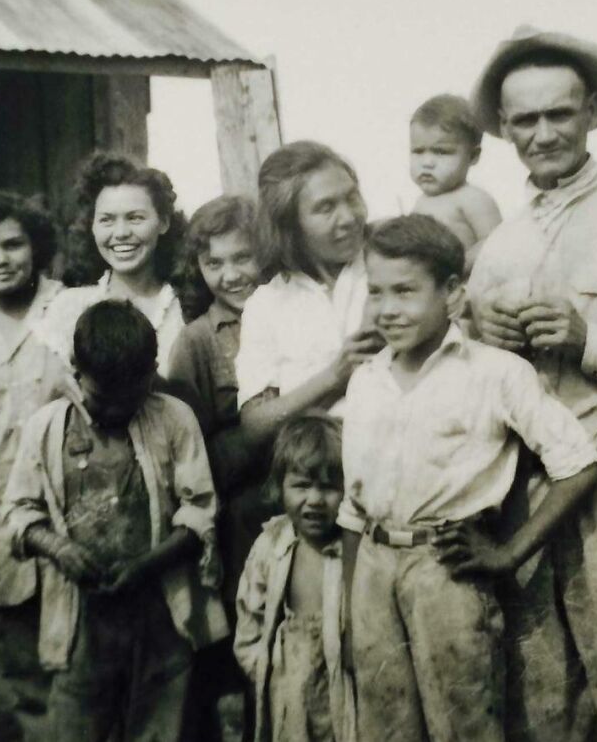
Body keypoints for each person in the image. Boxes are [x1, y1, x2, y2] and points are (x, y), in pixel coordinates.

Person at [468, 25, 597, 742]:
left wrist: (593, 342)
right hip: (526, 495)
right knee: (540, 702)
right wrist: (479, 345)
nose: (544, 133)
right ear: (502, 129)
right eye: (525, 119)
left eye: (559, 113)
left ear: (591, 111)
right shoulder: (499, 245)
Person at [339, 214, 597, 742]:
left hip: (445, 567)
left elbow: (579, 465)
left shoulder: (495, 372)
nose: (388, 309)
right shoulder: (366, 380)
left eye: (407, 291)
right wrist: (351, 609)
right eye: (377, 292)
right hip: (371, 569)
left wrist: (508, 553)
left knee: (464, 722)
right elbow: (353, 508)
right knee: (385, 727)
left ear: (453, 292)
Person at [6, 300, 228, 742]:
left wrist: (145, 566)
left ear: (151, 373)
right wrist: (60, 548)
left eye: (130, 398)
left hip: (161, 612)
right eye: (102, 398)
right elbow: (18, 512)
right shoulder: (47, 427)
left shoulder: (174, 419)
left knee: (160, 725)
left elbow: (200, 511)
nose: (113, 412)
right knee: (74, 727)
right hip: (82, 620)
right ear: (76, 370)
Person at [0, 189, 65, 741]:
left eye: (12, 245)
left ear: (36, 247)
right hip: (0, 530)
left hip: (74, 516)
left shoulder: (72, 308)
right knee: (26, 675)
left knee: (87, 668)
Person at [168, 195, 261, 742]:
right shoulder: (199, 340)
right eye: (214, 263)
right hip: (244, 520)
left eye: (243, 258)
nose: (230, 275)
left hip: (315, 501)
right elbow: (191, 447)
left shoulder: (300, 314)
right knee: (249, 652)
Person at [235, 141, 382, 449]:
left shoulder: (391, 265)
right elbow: (255, 425)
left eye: (352, 197)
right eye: (326, 207)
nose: (348, 217)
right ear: (289, 224)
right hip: (319, 478)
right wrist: (334, 376)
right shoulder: (267, 304)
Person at [235, 412, 355, 742]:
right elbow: (250, 615)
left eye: (330, 487)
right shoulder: (270, 545)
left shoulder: (356, 550)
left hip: (344, 690)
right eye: (301, 485)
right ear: (279, 486)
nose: (315, 500)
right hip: (287, 689)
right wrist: (263, 670)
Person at [39, 151, 186, 378]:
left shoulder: (185, 306)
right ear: (92, 227)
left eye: (135, 218)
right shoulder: (69, 308)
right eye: (106, 220)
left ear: (163, 222)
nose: (121, 233)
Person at [410, 94, 501, 272]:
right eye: (418, 151)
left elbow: (496, 242)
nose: (427, 162)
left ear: (473, 156)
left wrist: (460, 266)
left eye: (441, 152)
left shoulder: (472, 199)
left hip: (466, 287)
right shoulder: (421, 201)